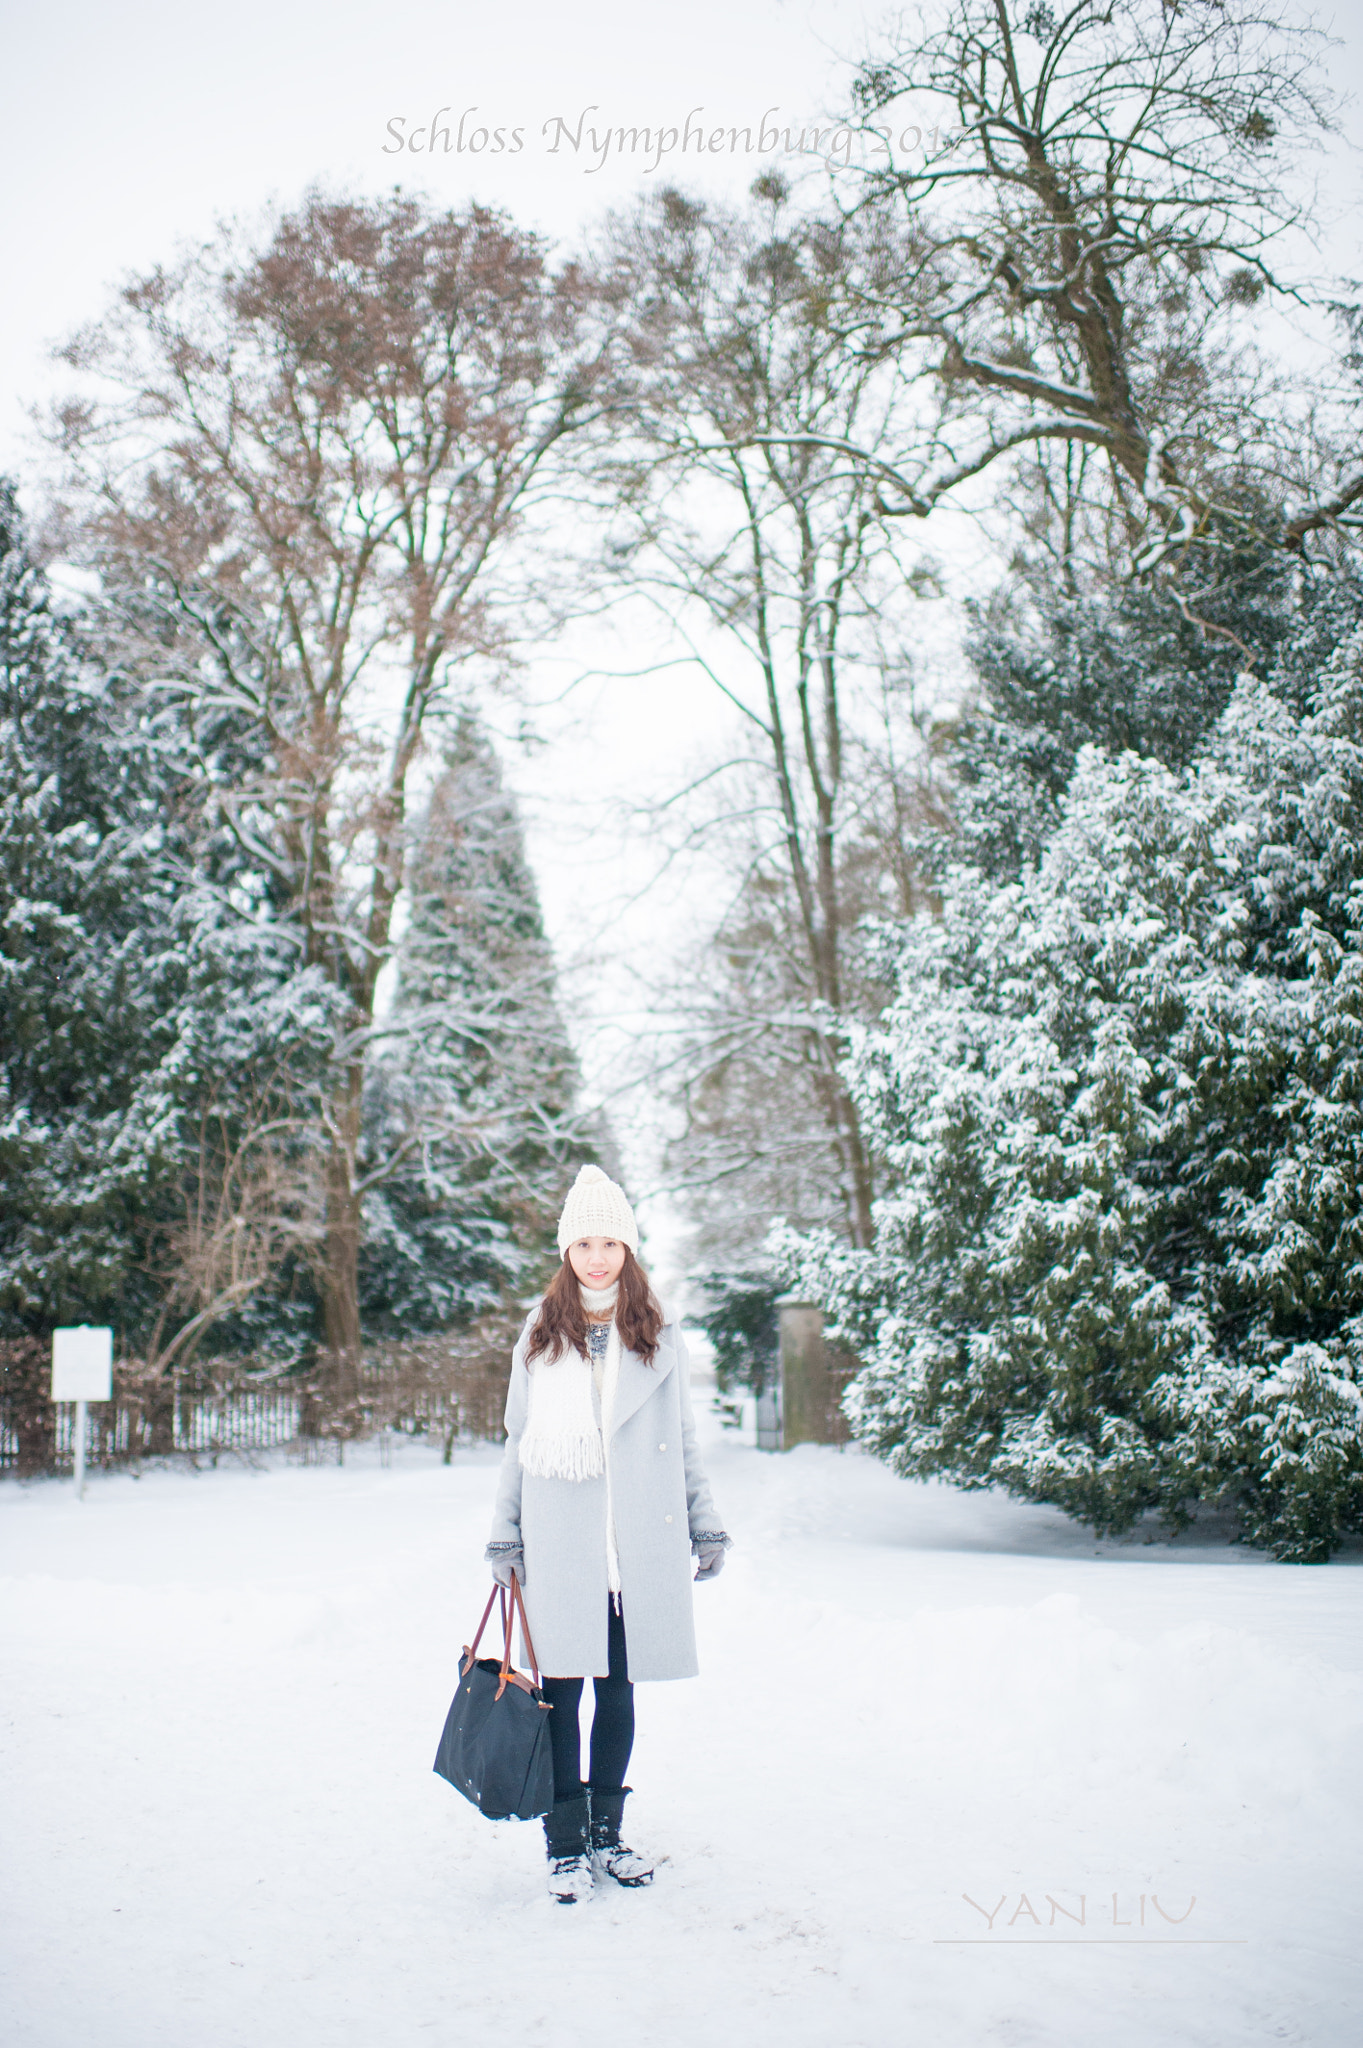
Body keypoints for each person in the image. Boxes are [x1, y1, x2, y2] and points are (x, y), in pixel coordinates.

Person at [485, 1163, 731, 1903]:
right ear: (566, 1251)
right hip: (564, 1543)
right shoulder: (539, 1334)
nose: (597, 1257)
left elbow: (682, 1438)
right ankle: (563, 1844)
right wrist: (505, 1536)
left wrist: (704, 1522)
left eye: (610, 1242)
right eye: (583, 1243)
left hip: (636, 1548)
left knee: (618, 1693)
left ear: (628, 1249)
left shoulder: (656, 1332)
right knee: (560, 1696)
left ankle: (606, 1834)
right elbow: (516, 1440)